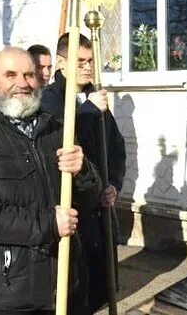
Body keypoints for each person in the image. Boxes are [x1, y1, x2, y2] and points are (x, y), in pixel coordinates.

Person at [0, 47, 102, 315]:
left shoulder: (58, 131)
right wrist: (48, 223)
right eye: (11, 75)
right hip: (14, 291)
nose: (22, 83)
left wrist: (84, 171)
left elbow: (89, 200)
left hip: (67, 280)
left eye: (29, 74)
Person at [41, 33, 126, 313]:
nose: (88, 67)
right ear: (62, 63)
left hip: (98, 211)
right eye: (81, 61)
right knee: (72, 289)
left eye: (91, 61)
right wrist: (89, 111)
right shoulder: (49, 100)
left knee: (97, 288)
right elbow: (58, 141)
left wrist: (113, 183)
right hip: (70, 209)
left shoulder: (95, 98)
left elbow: (115, 147)